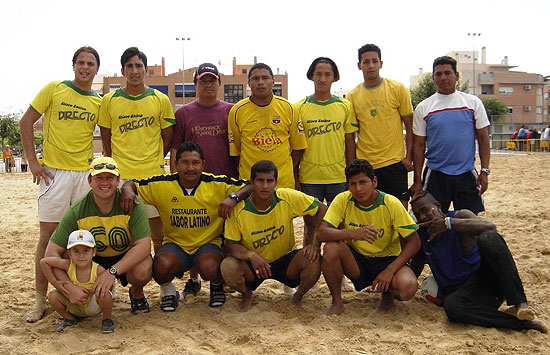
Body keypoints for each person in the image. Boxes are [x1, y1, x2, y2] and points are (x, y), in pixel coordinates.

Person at [19, 46, 102, 322]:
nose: (85, 67)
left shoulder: (99, 102)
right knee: (49, 236)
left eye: (91, 63)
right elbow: (26, 121)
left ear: (96, 69)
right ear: (73, 65)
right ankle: (39, 300)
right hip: (54, 173)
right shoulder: (55, 88)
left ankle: (76, 294)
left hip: (83, 174)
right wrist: (33, 161)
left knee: (79, 240)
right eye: (81, 62)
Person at [121, 142, 252, 310]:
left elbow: (249, 186)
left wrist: (233, 197)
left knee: (211, 267)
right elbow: (132, 184)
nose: (190, 167)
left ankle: (216, 285)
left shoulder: (216, 184)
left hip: (208, 245)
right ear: (174, 164)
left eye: (195, 163)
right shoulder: (163, 185)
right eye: (185, 162)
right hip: (176, 245)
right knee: (161, 265)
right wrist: (127, 189)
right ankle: (169, 291)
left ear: (203, 164)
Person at [410, 191, 547, 333]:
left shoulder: (459, 217)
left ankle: (520, 304)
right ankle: (521, 324)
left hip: (489, 282)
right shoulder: (421, 236)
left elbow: (490, 226)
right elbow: (416, 267)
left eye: (424, 210)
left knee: (489, 238)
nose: (422, 216)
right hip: (468, 295)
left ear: (438, 206)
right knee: (452, 307)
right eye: (417, 214)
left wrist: (448, 224)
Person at [44, 157, 153, 316]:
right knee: (69, 254)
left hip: (123, 257)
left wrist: (112, 272)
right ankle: (83, 297)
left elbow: (144, 246)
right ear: (89, 181)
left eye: (110, 177)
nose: (105, 182)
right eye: (98, 178)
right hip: (93, 259)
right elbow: (51, 253)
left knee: (143, 268)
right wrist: (67, 286)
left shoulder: (133, 204)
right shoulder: (78, 210)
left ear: (118, 180)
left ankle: (137, 293)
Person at [221, 160, 327, 311]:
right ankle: (246, 294)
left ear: (276, 182)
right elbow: (231, 245)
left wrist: (315, 244)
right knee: (228, 266)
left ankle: (297, 297)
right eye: (260, 181)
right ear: (251, 182)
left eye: (269, 181)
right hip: (255, 265)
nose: (265, 186)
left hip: (286, 261)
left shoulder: (286, 197)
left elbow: (322, 209)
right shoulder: (238, 210)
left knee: (314, 259)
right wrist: (251, 255)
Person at [318, 159, 420, 315]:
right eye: (353, 184)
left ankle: (387, 294)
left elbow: (414, 242)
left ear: (374, 182)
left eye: (363, 182)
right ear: (348, 186)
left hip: (388, 258)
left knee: (408, 287)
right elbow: (322, 233)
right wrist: (354, 233)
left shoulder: (390, 203)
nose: (358, 189)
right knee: (330, 248)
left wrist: (390, 270)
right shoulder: (343, 199)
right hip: (358, 260)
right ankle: (337, 302)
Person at [99, 47, 175, 254]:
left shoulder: (160, 99)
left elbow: (167, 137)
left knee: (158, 236)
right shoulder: (109, 100)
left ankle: (165, 285)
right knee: (125, 236)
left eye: (138, 66)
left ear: (146, 69)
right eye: (129, 66)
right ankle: (135, 286)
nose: (134, 71)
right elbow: (107, 138)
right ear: (123, 71)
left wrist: (154, 158)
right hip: (122, 177)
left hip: (153, 176)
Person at [411, 56, 490, 215]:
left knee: (470, 222)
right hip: (436, 175)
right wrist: (417, 180)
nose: (443, 78)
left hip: (466, 173)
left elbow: (483, 138)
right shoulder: (424, 107)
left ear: (457, 76)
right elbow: (419, 145)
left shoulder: (473, 103)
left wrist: (484, 171)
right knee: (432, 221)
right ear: (433, 78)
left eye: (447, 73)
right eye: (438, 74)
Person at [347, 44, 414, 208]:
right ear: (359, 65)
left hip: (394, 163)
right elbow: (350, 135)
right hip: (366, 165)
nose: (370, 66)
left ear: (381, 63)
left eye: (374, 61)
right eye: (366, 62)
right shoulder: (352, 95)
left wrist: (408, 157)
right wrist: (351, 164)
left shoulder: (398, 89)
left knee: (399, 212)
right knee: (370, 213)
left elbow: (411, 126)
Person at [228, 63, 307, 189]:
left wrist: (284, 171)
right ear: (249, 83)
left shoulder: (289, 108)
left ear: (273, 82)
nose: (260, 82)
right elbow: (236, 152)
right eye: (255, 78)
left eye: (265, 78)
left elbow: (298, 147)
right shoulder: (236, 111)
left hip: (283, 184)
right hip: (249, 186)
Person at [295, 57, 357, 204]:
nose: (322, 79)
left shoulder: (345, 106)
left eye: (327, 75)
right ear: (311, 76)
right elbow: (296, 147)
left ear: (334, 77)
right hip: (310, 178)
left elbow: (350, 143)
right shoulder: (299, 108)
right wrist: (295, 177)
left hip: (339, 177)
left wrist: (351, 175)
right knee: (311, 224)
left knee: (340, 223)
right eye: (318, 74)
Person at [170, 62, 237, 178]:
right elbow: (175, 150)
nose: (208, 85)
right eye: (203, 81)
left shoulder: (232, 111)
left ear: (219, 83)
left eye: (212, 80)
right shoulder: (183, 113)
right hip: (193, 182)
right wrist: (176, 182)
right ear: (195, 85)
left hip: (226, 182)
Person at [40, 230, 114, 333]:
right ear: (69, 253)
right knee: (52, 296)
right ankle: (69, 318)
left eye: (86, 251)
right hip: (73, 304)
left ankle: (107, 319)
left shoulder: (98, 270)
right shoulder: (67, 265)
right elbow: (44, 262)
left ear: (94, 252)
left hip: (91, 306)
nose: (81, 255)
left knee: (104, 293)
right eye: (76, 251)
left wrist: (97, 292)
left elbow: (110, 287)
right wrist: (54, 282)